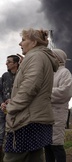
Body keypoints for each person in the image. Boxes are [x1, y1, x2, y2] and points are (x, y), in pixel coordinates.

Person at [1, 28, 58, 162]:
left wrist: (11, 107)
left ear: (34, 42)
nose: (20, 44)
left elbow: (30, 87)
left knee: (13, 158)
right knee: (34, 158)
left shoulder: (36, 57)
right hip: (35, 118)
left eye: (23, 40)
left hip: (26, 121)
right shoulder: (40, 57)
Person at [45, 48, 72, 162]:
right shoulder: (48, 72)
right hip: (45, 113)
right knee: (47, 146)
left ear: (57, 58)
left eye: (50, 56)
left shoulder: (64, 72)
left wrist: (45, 93)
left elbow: (65, 92)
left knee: (56, 145)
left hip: (57, 113)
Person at [0, 55, 20, 161]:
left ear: (16, 64)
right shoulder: (4, 76)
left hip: (17, 111)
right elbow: (0, 91)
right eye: (6, 61)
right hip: (3, 110)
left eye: (9, 62)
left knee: (13, 134)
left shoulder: (21, 75)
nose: (6, 63)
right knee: (1, 133)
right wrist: (2, 103)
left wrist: (13, 101)